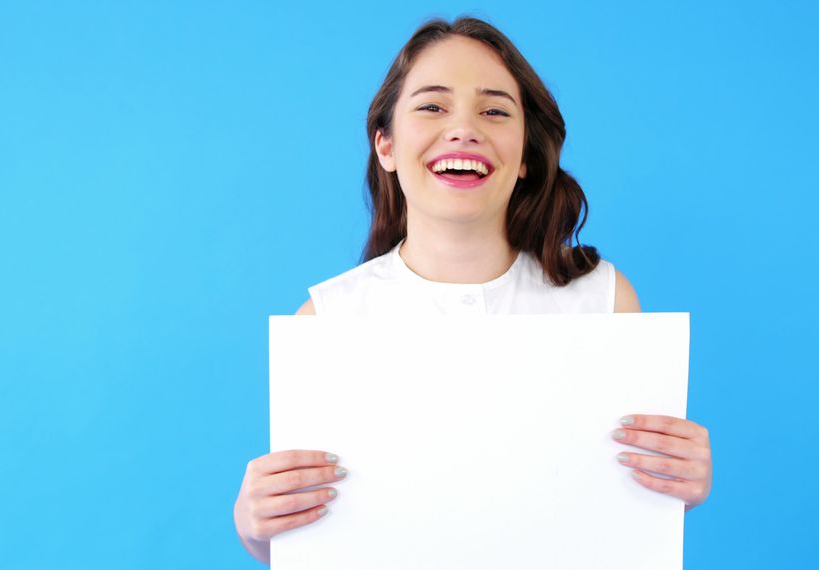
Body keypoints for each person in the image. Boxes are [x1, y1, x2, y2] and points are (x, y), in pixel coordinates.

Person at [233, 16, 713, 565]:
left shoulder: (603, 300)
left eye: (494, 111)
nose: (464, 129)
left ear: (527, 154)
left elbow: (625, 508)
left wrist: (683, 479)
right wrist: (255, 527)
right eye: (432, 106)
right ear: (385, 145)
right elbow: (315, 539)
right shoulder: (326, 322)